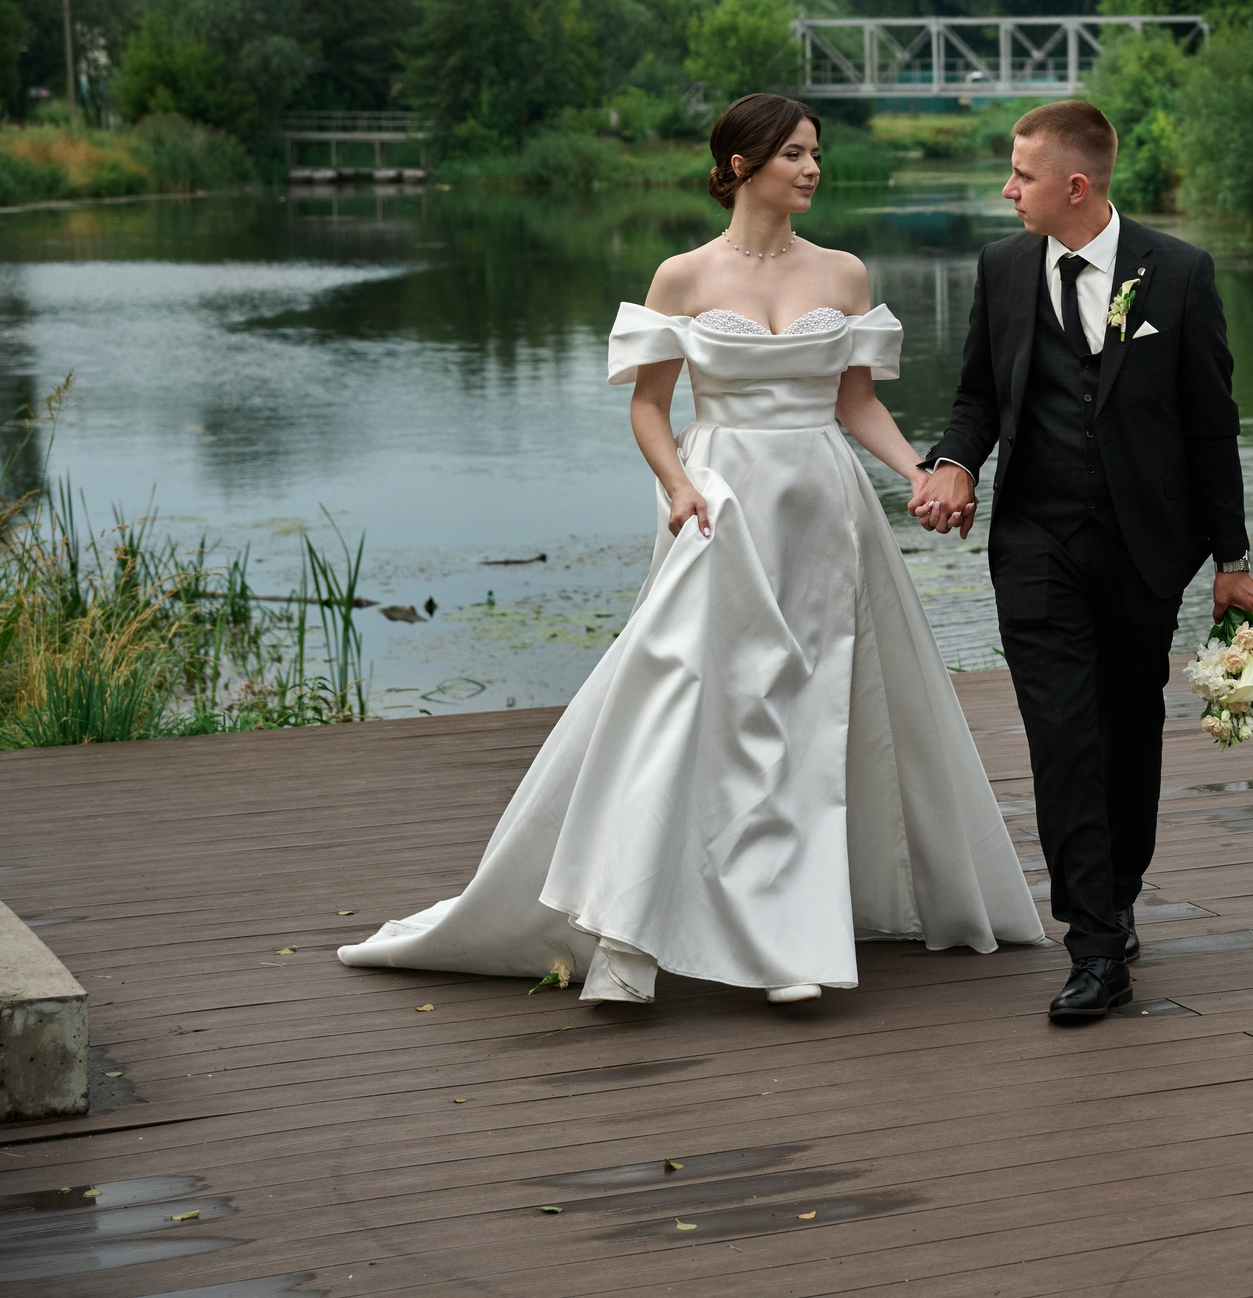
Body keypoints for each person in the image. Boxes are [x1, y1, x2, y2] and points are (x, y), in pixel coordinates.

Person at [340, 94, 1043, 1004]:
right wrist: (678, 487)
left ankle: (792, 942)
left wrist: (920, 470)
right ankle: (631, 929)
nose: (813, 168)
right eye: (795, 153)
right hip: (721, 505)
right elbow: (647, 407)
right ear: (743, 163)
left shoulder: (844, 273)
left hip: (825, 510)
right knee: (691, 700)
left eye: (816, 153)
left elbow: (854, 399)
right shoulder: (683, 277)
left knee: (812, 708)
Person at [911, 100, 1253, 1024]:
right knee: (1061, 731)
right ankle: (1095, 946)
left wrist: (1233, 557)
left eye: (1020, 175)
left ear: (1075, 186)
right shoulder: (1004, 266)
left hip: (1147, 545)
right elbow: (980, 393)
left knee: (1128, 726)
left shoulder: (1177, 273)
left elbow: (1211, 425)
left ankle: (1119, 889)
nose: (1005, 189)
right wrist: (952, 463)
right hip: (1036, 542)